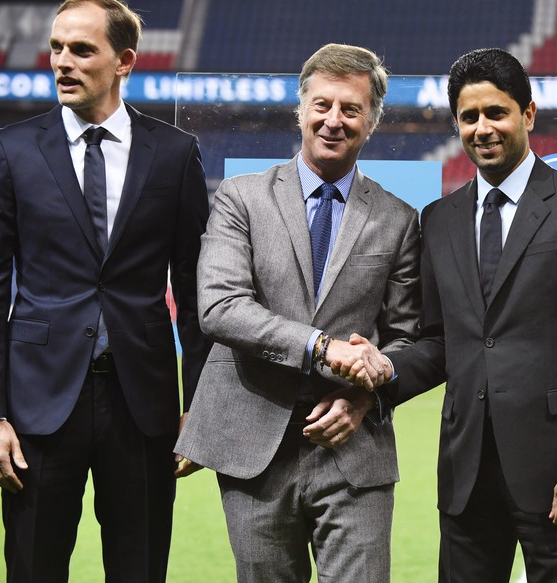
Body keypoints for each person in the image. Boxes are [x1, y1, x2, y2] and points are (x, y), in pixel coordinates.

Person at [337, 47, 557, 582]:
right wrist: (384, 369)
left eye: (496, 113)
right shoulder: (440, 219)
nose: (483, 128)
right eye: (469, 117)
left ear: (528, 114)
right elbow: (437, 341)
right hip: (465, 470)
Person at [0, 0, 211, 581]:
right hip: (37, 405)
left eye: (82, 50)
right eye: (56, 48)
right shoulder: (10, 150)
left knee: (139, 569)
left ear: (124, 60)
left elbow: (194, 285)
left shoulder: (176, 154)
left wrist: (200, 407)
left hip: (143, 405)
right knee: (33, 569)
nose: (62, 61)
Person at [173, 43, 420, 583]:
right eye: (322, 105)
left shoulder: (399, 219)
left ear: (372, 121)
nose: (334, 120)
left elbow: (406, 338)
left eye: (350, 109)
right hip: (253, 443)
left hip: (355, 446)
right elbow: (219, 307)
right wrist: (323, 348)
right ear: (300, 110)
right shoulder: (240, 197)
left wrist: (364, 393)